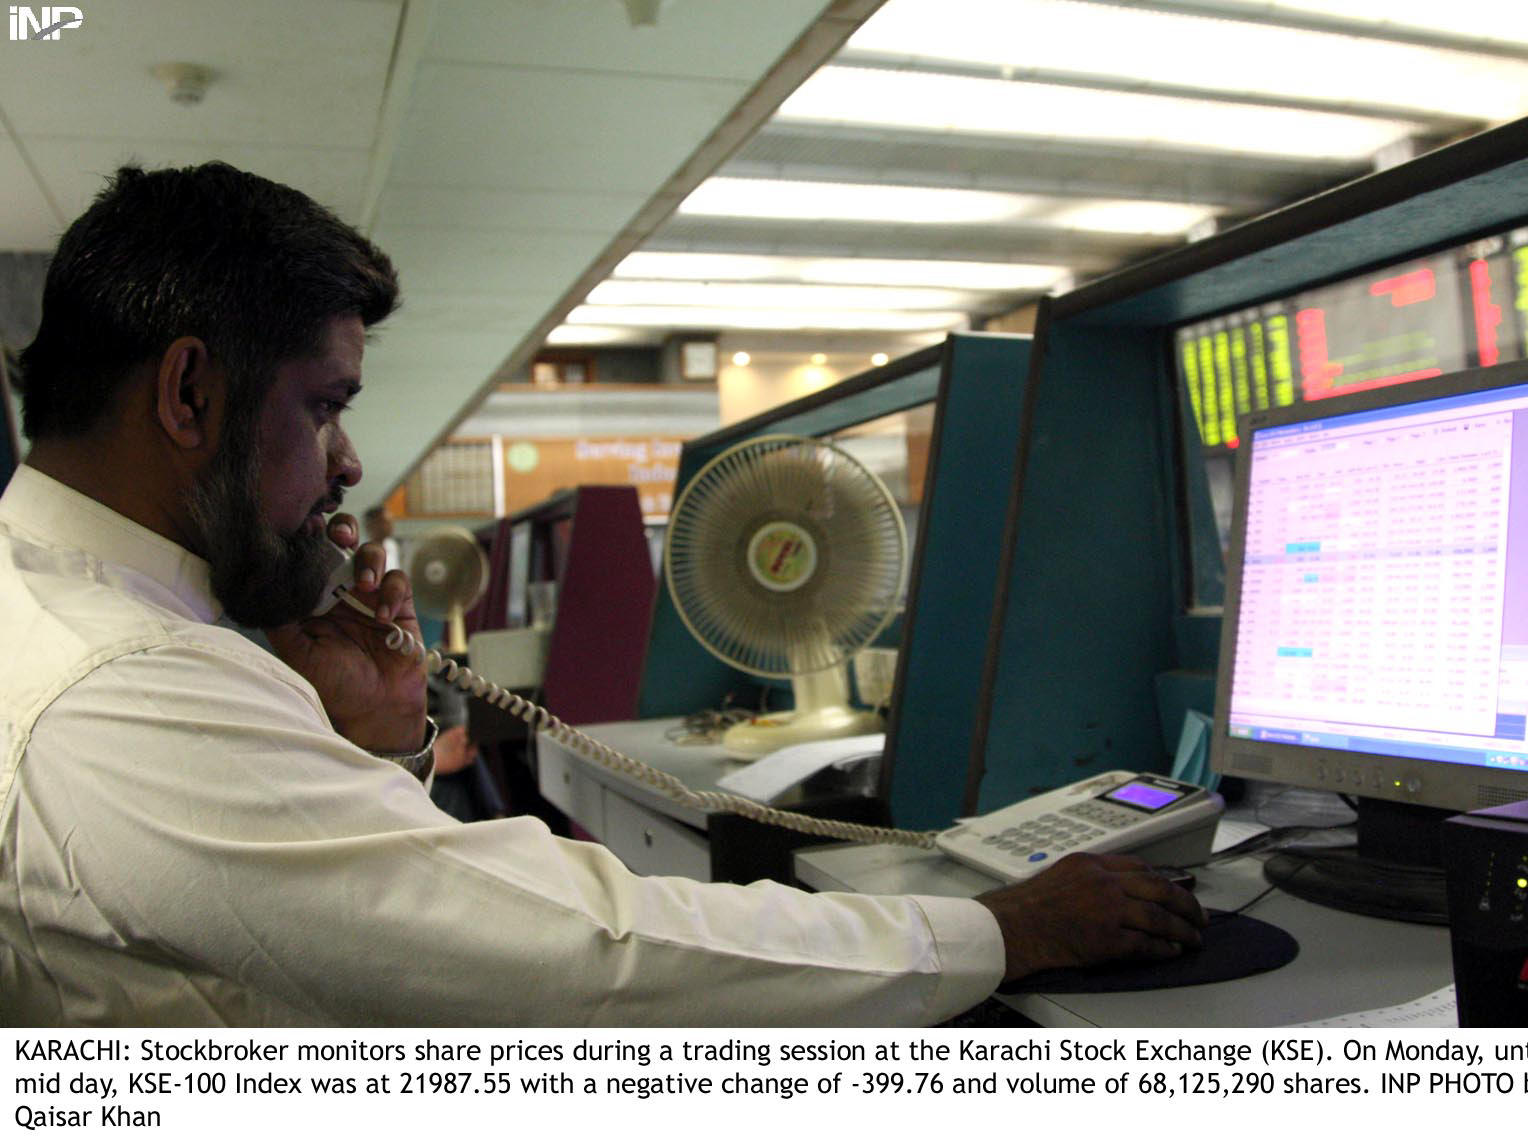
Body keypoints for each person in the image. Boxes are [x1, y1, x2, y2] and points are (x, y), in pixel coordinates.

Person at [0, 162, 1204, 1027]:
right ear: (190, 396)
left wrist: (376, 743)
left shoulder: (73, 603)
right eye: (324, 407)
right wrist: (998, 931)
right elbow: (567, 957)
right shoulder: (124, 684)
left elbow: (314, 903)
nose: (348, 463)